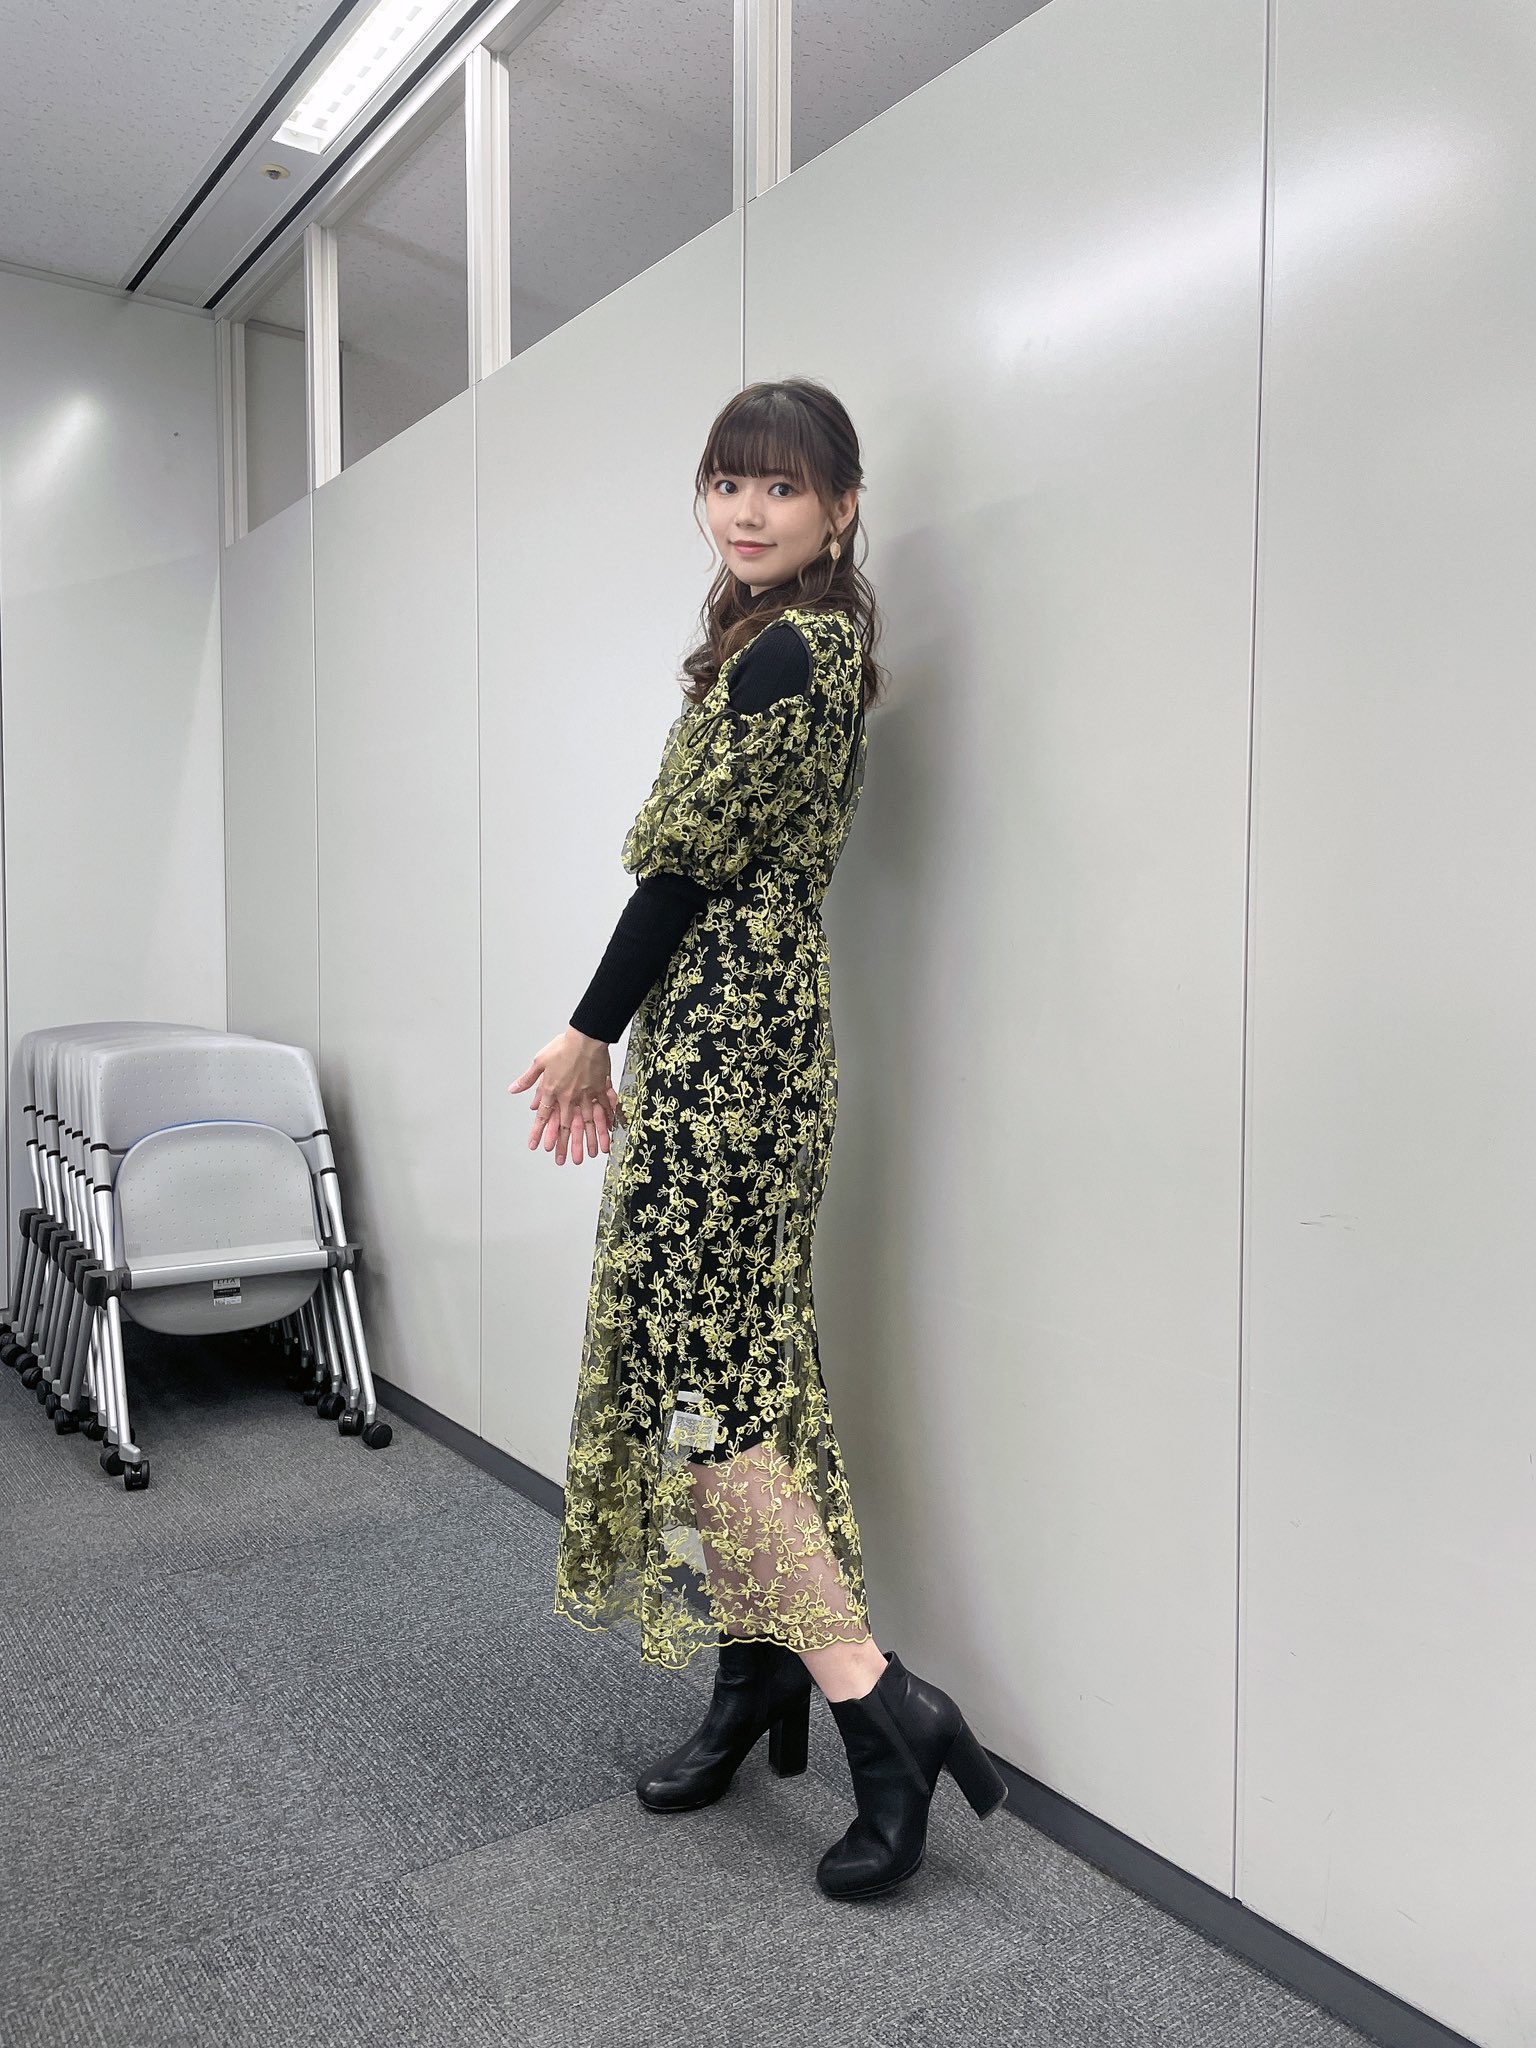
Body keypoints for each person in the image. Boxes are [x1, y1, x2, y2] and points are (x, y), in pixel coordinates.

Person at [508, 378, 1007, 1901]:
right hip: (743, 1033)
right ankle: (755, 1672)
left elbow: (682, 869)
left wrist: (588, 1030)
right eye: (727, 481)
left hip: (732, 1045)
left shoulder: (795, 648)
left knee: (716, 1395)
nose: (746, 510)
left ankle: (877, 1703)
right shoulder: (786, 641)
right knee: (715, 1378)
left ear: (841, 509)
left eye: (781, 487)